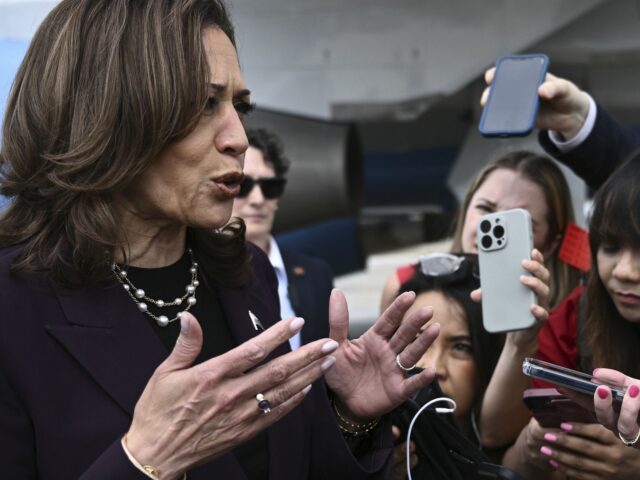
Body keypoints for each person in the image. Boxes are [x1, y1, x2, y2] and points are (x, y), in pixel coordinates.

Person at [0, 1, 443, 478]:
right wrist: (144, 459)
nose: (238, 137)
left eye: (239, 106)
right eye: (203, 104)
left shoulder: (245, 274)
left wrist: (347, 415)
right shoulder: (14, 306)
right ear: (106, 114)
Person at [498, 154, 640, 479]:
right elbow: (505, 461)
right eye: (611, 247)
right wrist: (530, 451)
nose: (625, 272)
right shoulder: (574, 317)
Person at [379, 150, 582, 313]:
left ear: (550, 245)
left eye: (517, 222)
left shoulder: (566, 321)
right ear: (465, 209)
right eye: (485, 209)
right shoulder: (406, 285)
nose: (492, 230)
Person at [389, 254, 504, 479]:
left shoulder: (515, 456)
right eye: (416, 341)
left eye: (460, 347)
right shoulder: (367, 451)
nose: (433, 368)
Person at [231, 128, 333, 350]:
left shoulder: (316, 274)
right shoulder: (196, 273)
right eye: (243, 185)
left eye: (270, 187)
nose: (258, 199)